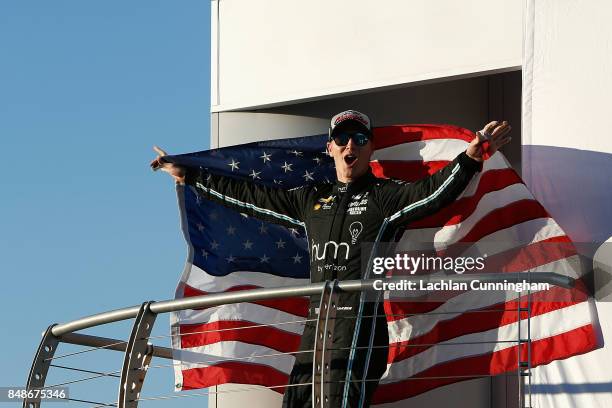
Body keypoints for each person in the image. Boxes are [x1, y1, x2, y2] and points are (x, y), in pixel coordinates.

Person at [151, 110, 511, 407]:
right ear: (330, 148)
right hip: (317, 328)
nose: (350, 145)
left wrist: (470, 158)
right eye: (342, 139)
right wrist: (192, 176)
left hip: (360, 327)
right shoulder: (311, 199)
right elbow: (253, 196)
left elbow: (432, 194)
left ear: (371, 149)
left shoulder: (385, 197)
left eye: (359, 139)